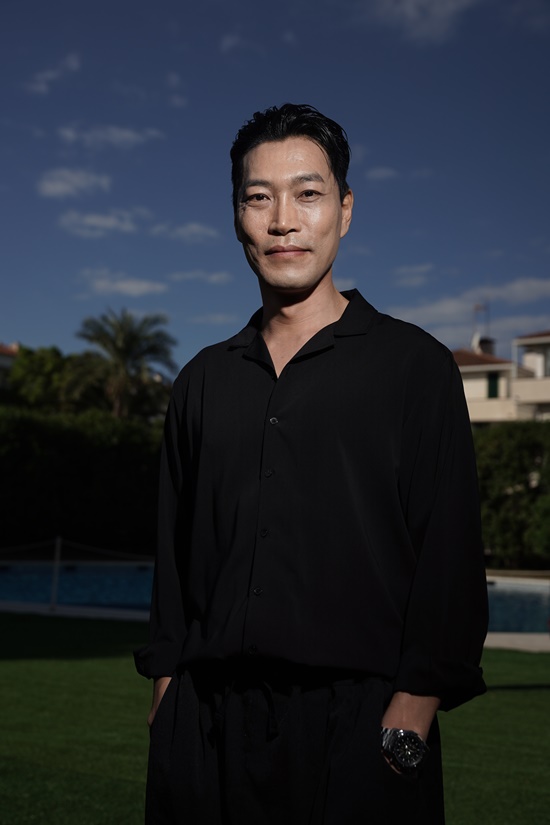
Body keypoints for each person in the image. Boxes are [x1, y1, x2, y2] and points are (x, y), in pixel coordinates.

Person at [135, 103, 488, 824]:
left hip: (360, 730)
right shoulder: (201, 380)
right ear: (237, 217)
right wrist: (168, 696)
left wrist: (411, 713)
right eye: (258, 197)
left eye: (307, 194)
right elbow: (174, 559)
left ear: (345, 210)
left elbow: (449, 556)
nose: (282, 221)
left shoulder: (414, 367)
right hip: (206, 728)